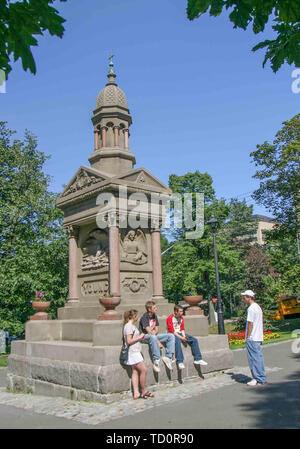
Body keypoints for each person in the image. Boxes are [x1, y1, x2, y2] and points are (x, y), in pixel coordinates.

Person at [123, 309, 155, 399]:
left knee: (135, 371)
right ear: (134, 316)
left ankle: (136, 392)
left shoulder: (130, 326)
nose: (137, 317)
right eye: (136, 315)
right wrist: (140, 337)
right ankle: (143, 390)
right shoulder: (129, 326)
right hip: (133, 351)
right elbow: (129, 341)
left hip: (134, 351)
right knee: (144, 369)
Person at [166, 305, 208, 369]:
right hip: (172, 334)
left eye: (182, 311)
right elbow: (172, 331)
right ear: (175, 311)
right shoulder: (170, 318)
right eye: (180, 311)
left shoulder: (181, 318)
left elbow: (182, 328)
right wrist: (181, 338)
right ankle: (180, 361)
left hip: (180, 333)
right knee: (177, 342)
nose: (182, 313)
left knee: (194, 340)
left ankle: (198, 359)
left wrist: (184, 336)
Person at [139, 300, 175, 372]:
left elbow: (156, 329)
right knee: (153, 337)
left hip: (154, 335)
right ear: (149, 309)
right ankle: (156, 360)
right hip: (144, 336)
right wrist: (158, 341)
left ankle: (168, 357)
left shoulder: (154, 316)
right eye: (154, 308)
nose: (156, 309)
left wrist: (156, 338)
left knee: (170, 336)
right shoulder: (144, 317)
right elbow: (148, 331)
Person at [241, 290, 267, 386]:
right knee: (258, 357)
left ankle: (257, 378)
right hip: (258, 336)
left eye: (244, 297)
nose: (244, 299)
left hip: (252, 337)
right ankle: (261, 377)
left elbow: (250, 323)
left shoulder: (251, 308)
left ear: (249, 297)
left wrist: (248, 336)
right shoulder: (258, 307)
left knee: (253, 358)